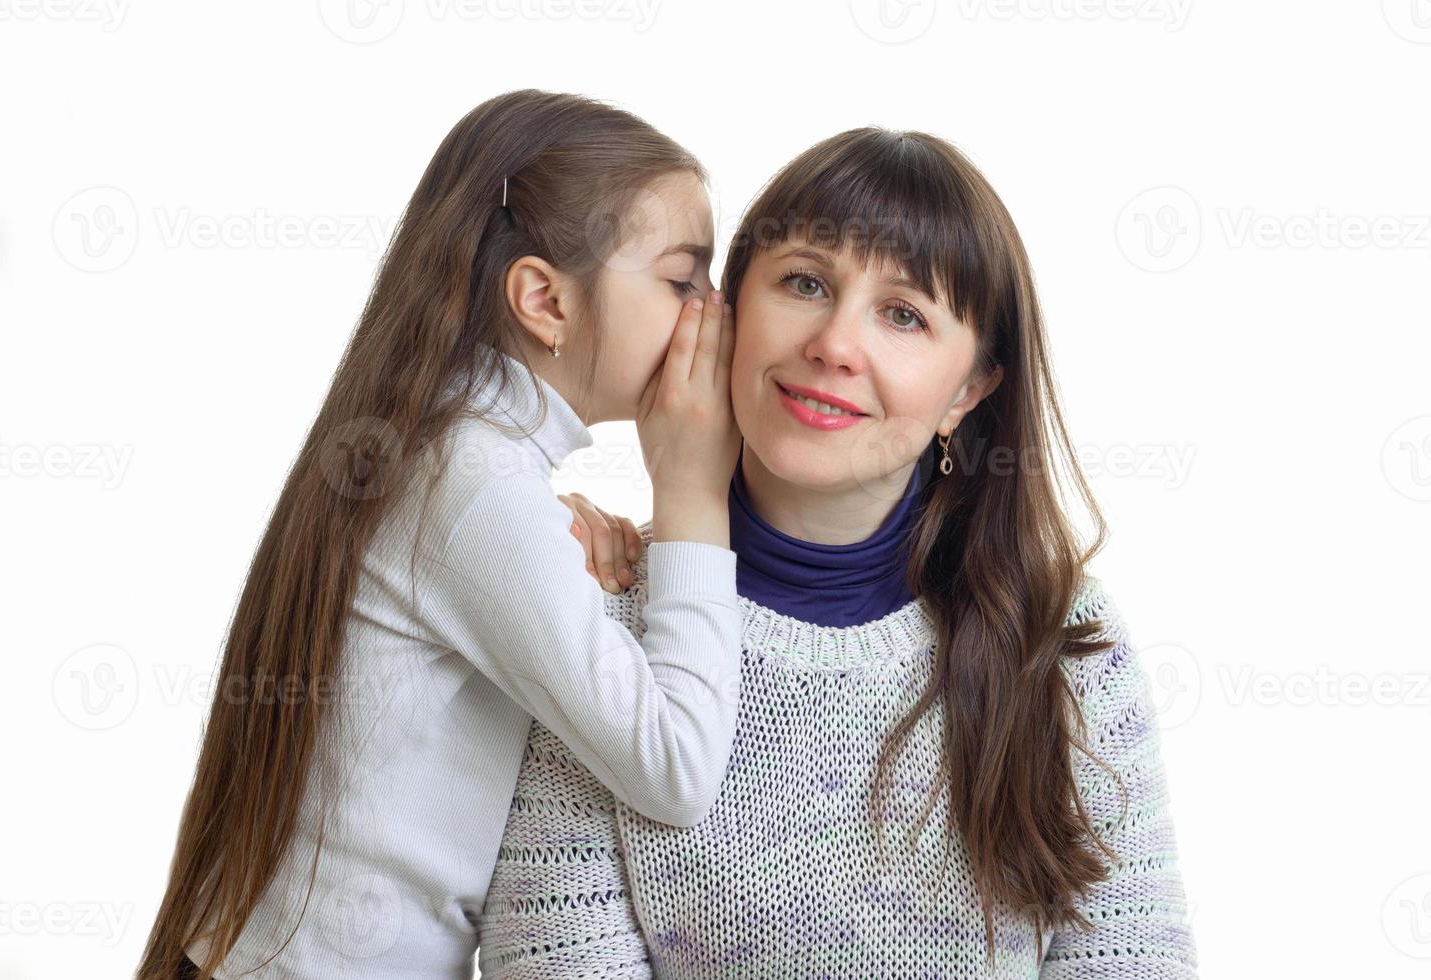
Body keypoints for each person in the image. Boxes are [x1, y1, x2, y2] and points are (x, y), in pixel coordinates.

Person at [478, 127, 1200, 978]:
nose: (834, 345)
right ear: (725, 308)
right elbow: (555, 954)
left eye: (903, 314)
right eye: (805, 282)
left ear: (967, 391)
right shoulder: (596, 609)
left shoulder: (1064, 639)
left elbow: (1130, 956)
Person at [137, 89, 747, 980]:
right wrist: (693, 498)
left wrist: (599, 540)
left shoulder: (468, 466)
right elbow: (675, 770)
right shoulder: (477, 486)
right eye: (682, 280)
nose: (712, 312)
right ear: (545, 299)